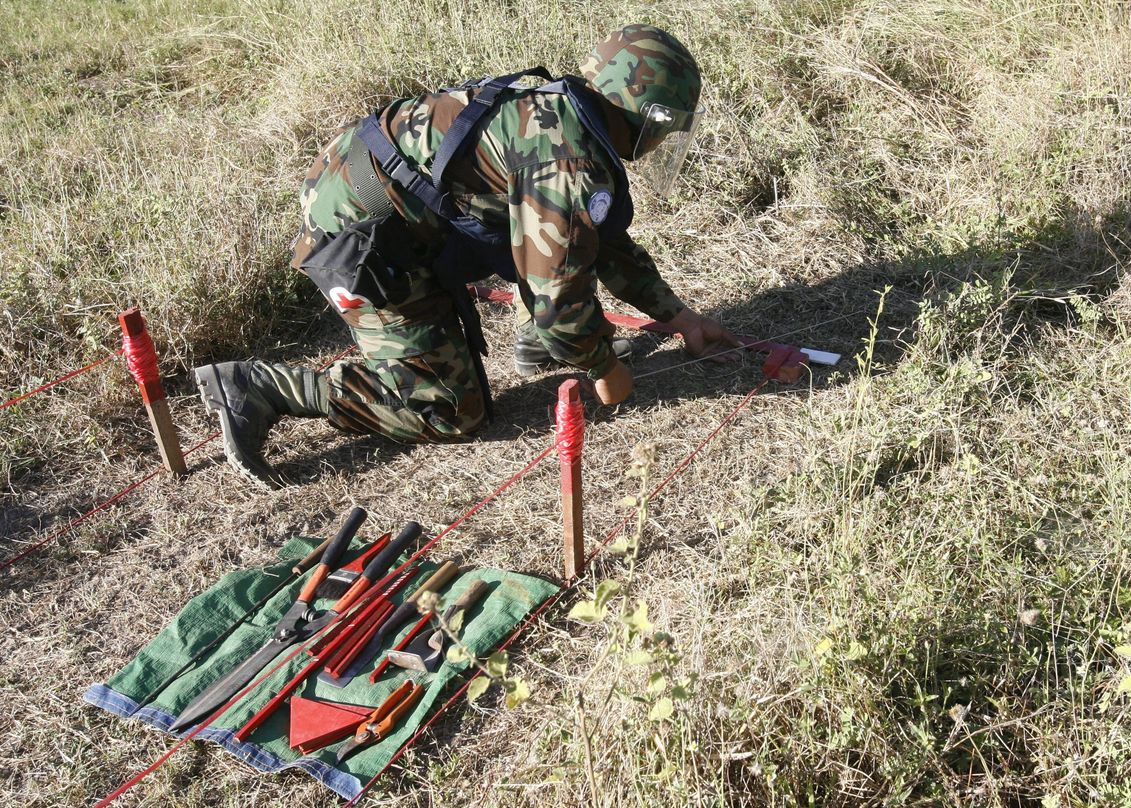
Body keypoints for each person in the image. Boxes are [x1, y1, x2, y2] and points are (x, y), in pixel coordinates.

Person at [192, 24, 740, 489]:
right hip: (360, 233)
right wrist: (603, 366)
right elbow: (559, 302)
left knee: (549, 264)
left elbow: (600, 243)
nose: (661, 140)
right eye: (663, 126)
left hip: (390, 204)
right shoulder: (566, 162)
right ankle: (261, 388)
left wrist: (678, 317)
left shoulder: (567, 118)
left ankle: (524, 346)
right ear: (640, 111)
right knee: (452, 410)